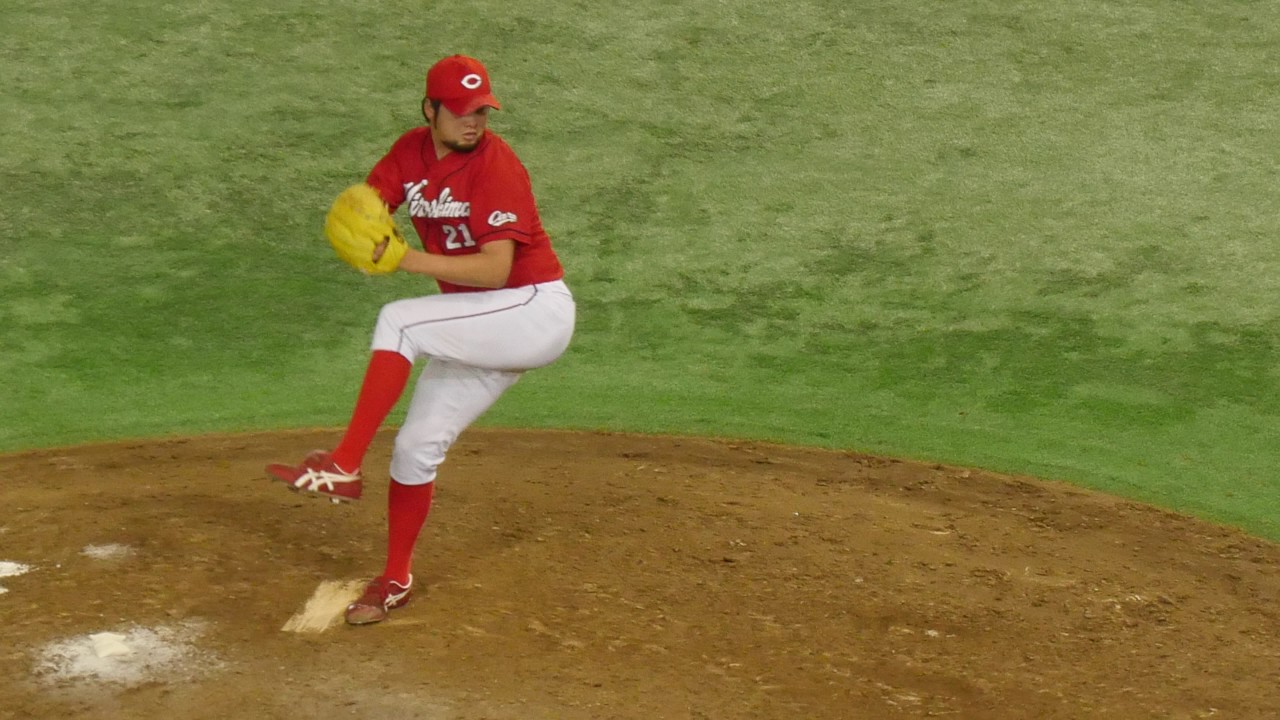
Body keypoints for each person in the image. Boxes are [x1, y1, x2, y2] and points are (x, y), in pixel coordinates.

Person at [266, 54, 575, 626]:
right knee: (415, 447)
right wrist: (360, 229)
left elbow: (497, 271)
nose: (473, 122)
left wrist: (402, 258)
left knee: (401, 320)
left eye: (481, 111)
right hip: (478, 325)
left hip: (532, 311)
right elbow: (368, 208)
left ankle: (344, 462)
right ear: (429, 109)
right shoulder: (410, 152)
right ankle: (395, 579)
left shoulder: (498, 166)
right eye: (460, 111)